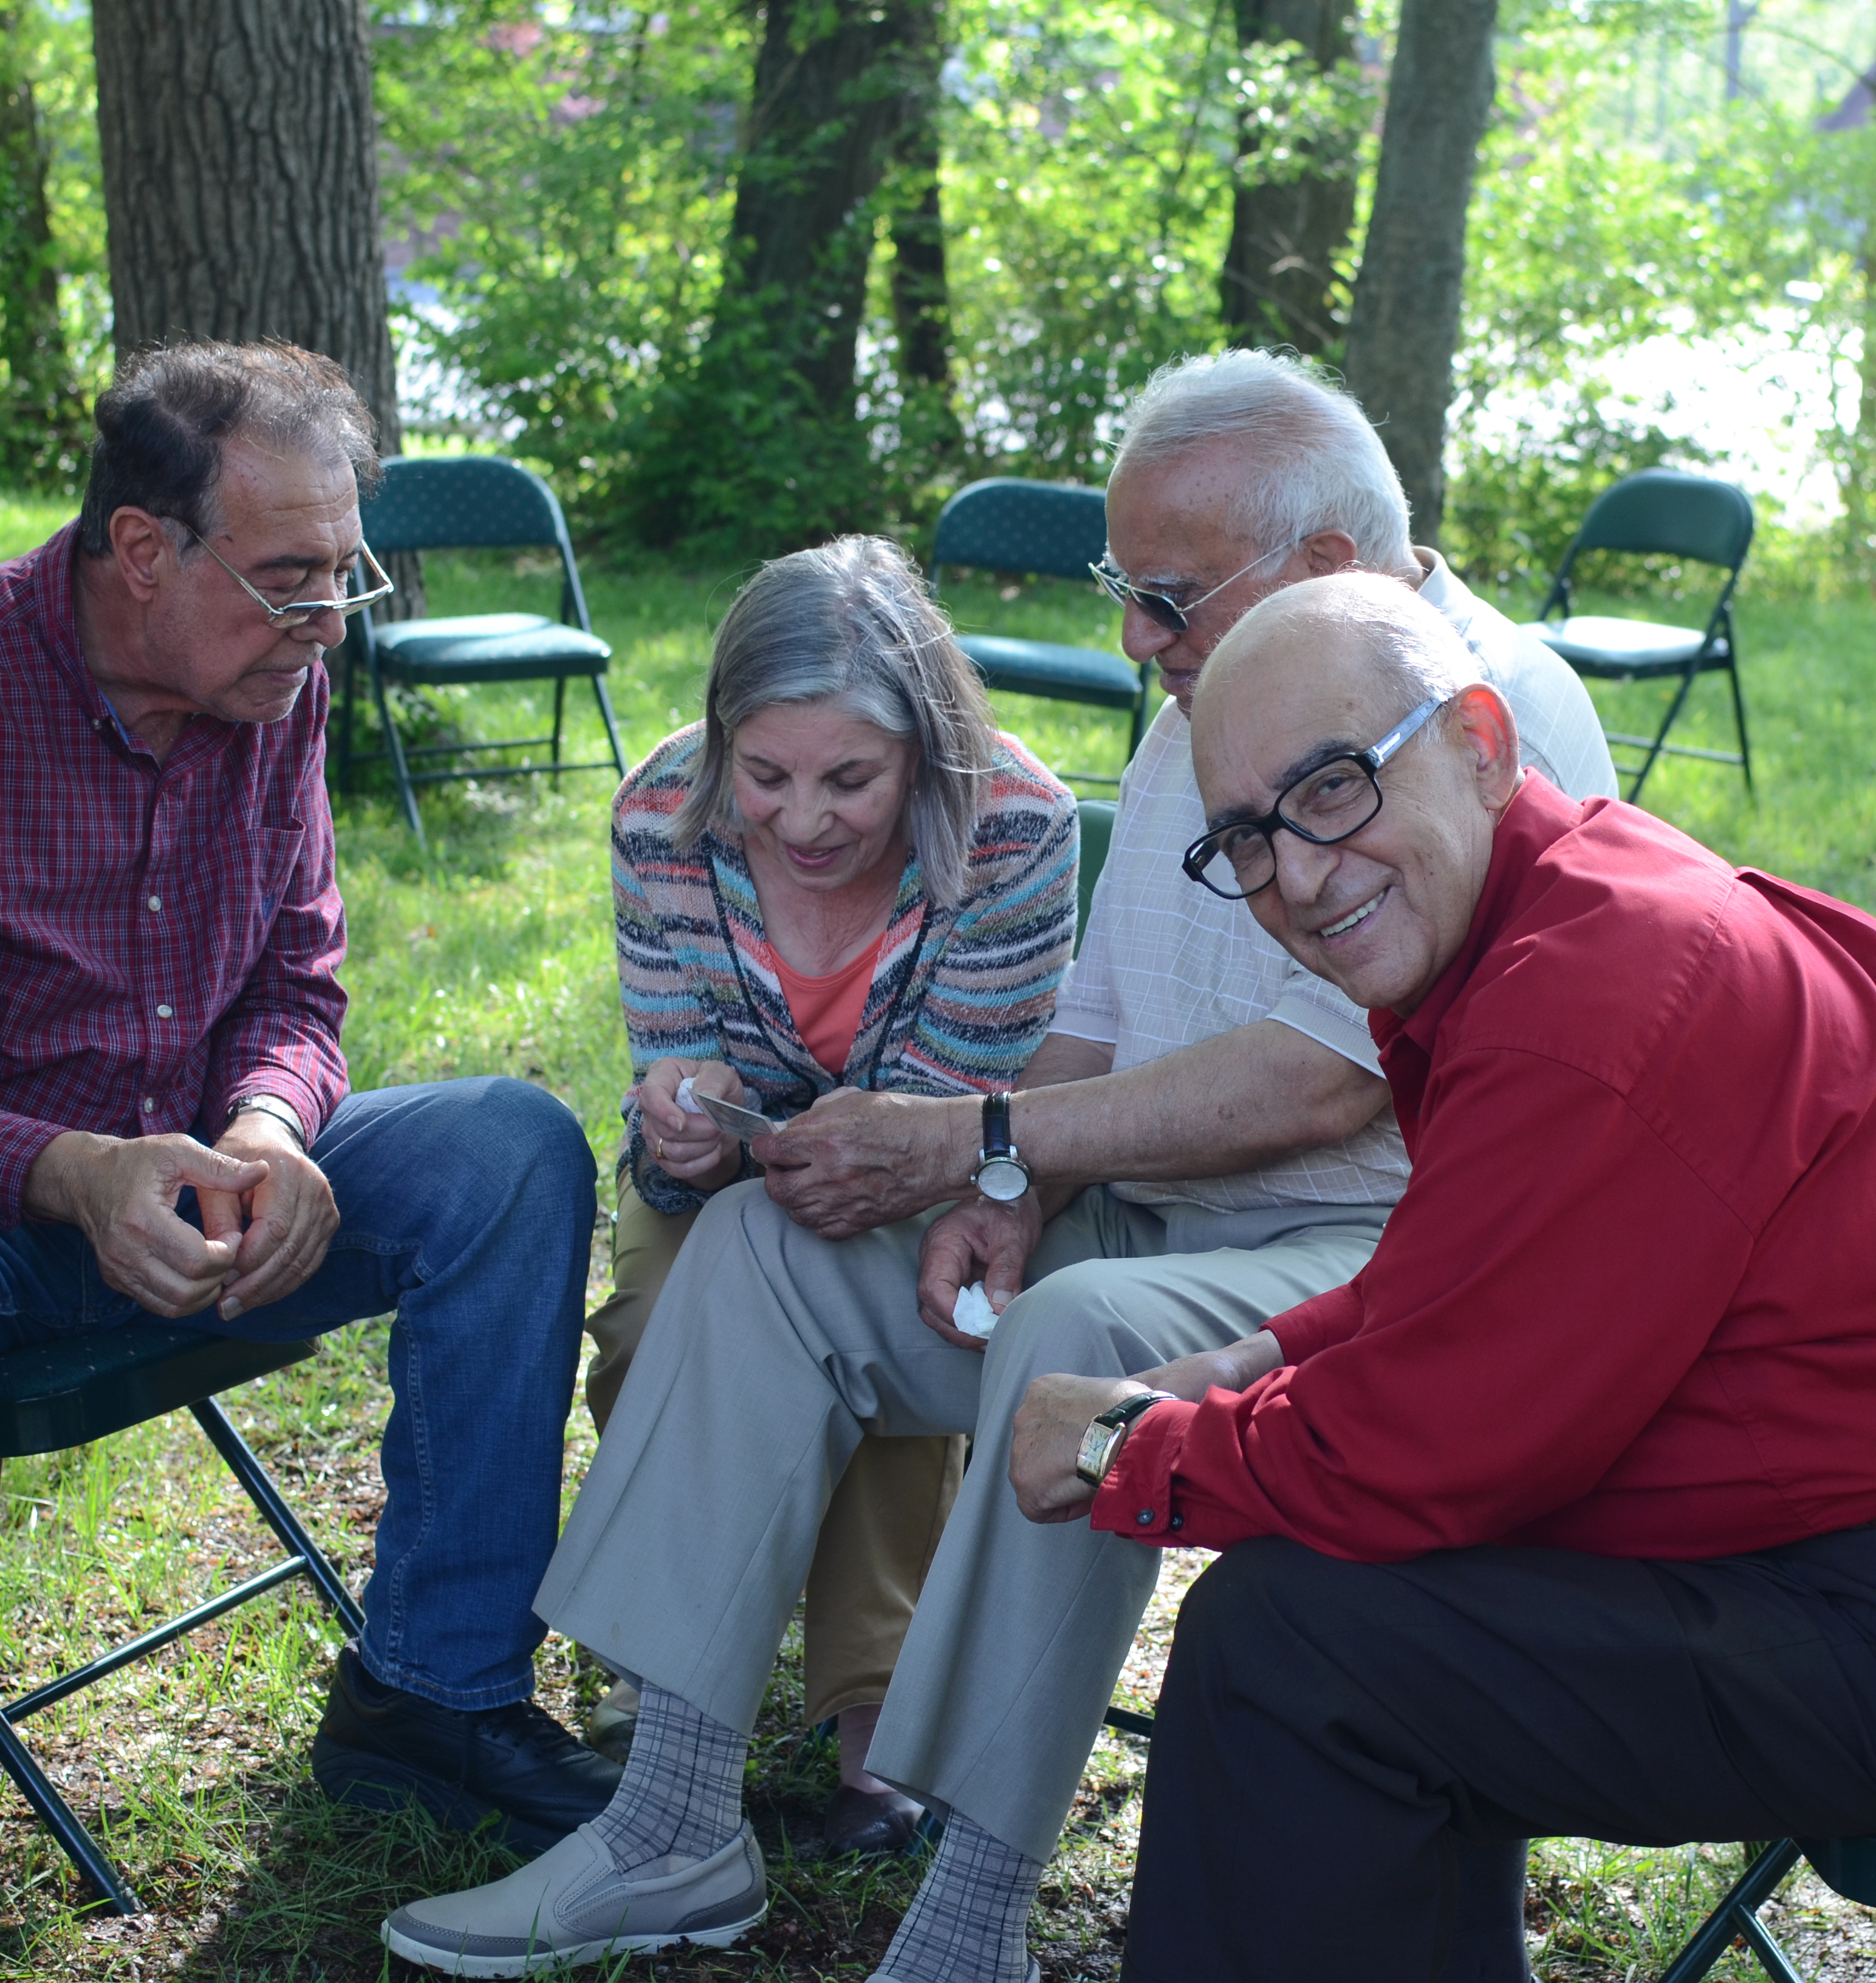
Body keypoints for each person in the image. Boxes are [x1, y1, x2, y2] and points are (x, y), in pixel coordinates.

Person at [377, 357, 1615, 1978]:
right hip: (1158, 1211)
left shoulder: (1478, 707)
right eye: (1127, 594)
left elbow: (1326, 1084)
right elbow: (1096, 1015)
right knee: (766, 1248)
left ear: (1319, 567)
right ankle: (670, 1824)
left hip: (1377, 1251)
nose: (1133, 641)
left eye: (1161, 596)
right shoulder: (1223, 691)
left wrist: (986, 1138)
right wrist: (1003, 1191)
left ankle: (968, 1926)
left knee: (1078, 1339)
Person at [1012, 572, 1876, 1979]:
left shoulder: (1588, 999)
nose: (1293, 874)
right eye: (1244, 836)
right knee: (1341, 1618)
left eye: (1334, 788)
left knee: (1296, 1655)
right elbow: (1480, 1275)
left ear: (1480, 743)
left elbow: (1419, 1456)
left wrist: (1126, 1447)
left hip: (1836, 1598)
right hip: (1795, 1542)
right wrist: (1249, 1360)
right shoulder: (1564, 906)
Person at [0, 339, 618, 1854]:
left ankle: (435, 1694)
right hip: (17, 1223)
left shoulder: (281, 680)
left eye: (348, 574)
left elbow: (296, 975)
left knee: (510, 1151)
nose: (331, 621)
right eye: (293, 576)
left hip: (220, 1195)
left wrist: (274, 1127)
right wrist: (72, 1171)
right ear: (140, 551)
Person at [578, 535, 1080, 1851]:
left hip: (941, 1170)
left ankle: (877, 1716)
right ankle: (676, 1675)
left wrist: (828, 1159)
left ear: (924, 751)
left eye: (850, 778)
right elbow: (669, 1054)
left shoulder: (1014, 828)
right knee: (649, 1323)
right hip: (734, 1175)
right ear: (718, 744)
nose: (802, 820)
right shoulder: (657, 816)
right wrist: (678, 1123)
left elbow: (943, 1120)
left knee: (880, 1334)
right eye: (767, 775)